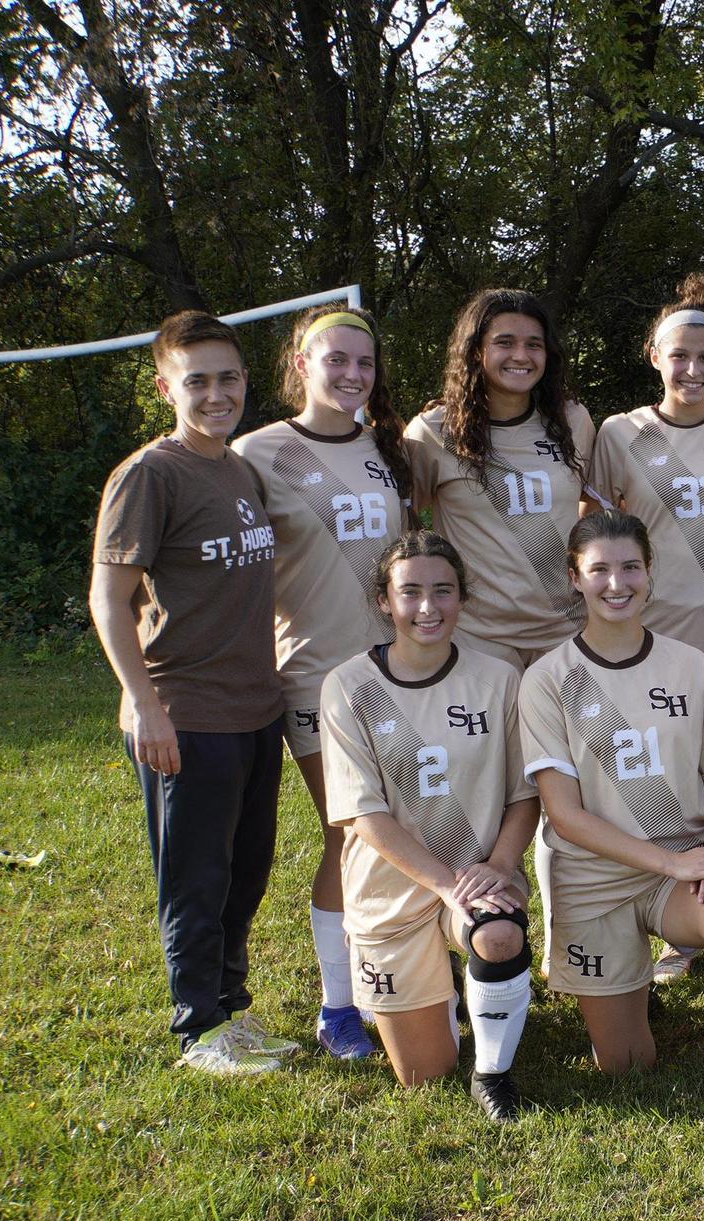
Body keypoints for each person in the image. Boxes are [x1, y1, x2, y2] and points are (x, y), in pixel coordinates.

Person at [518, 511, 704, 1121]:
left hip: (679, 872)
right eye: (599, 569)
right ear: (575, 579)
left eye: (630, 567)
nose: (617, 583)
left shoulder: (690, 665)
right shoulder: (546, 679)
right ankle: (629, 990)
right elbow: (565, 815)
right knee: (627, 1066)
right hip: (593, 878)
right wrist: (676, 859)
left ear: (649, 574)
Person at [89, 310, 293, 1074]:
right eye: (197, 379)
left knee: (246, 872)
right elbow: (109, 599)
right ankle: (196, 1027)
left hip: (256, 707)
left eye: (228, 377)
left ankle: (230, 1012)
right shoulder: (150, 473)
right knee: (196, 876)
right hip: (186, 712)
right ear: (165, 385)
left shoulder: (237, 466)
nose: (216, 393)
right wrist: (145, 704)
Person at [233, 303, 415, 1062]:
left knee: (409, 826)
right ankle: (338, 1005)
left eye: (363, 363)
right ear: (300, 365)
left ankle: (406, 981)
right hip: (313, 675)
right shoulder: (255, 453)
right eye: (334, 360)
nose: (350, 374)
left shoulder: (386, 449)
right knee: (350, 835)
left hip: (398, 672)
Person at [320, 532, 538, 1119]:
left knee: (496, 935)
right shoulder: (347, 687)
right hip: (392, 889)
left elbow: (525, 795)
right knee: (425, 1075)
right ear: (384, 601)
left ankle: (493, 1074)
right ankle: (452, 994)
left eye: (443, 591)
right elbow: (363, 815)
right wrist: (444, 884)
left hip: (478, 876)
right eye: (410, 591)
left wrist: (499, 866)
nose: (428, 607)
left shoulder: (499, 678)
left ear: (462, 598)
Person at [592, 273, 704, 700]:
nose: (693, 370)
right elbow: (593, 533)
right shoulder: (620, 432)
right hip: (649, 628)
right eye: (680, 356)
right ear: (654, 357)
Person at [404, 289, 597, 669]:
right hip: (478, 638)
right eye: (504, 343)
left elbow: (591, 508)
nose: (521, 356)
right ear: (476, 350)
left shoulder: (573, 421)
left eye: (534, 344)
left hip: (568, 632)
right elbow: (407, 523)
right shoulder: (432, 432)